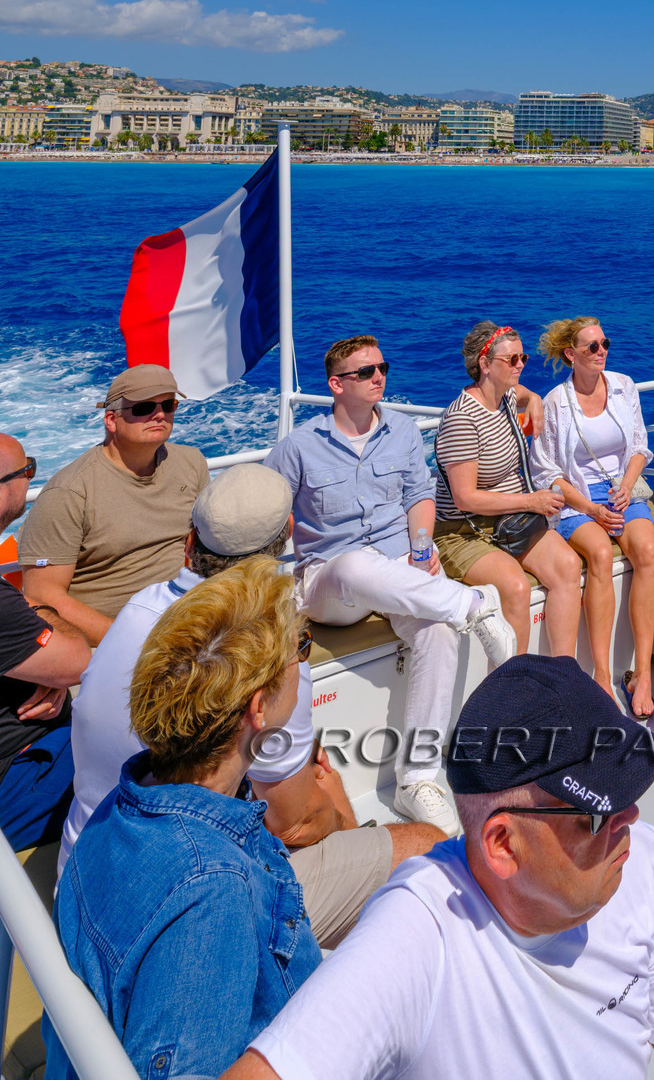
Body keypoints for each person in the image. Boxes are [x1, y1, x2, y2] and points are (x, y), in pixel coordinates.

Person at [220, 655, 654, 1080]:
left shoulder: (642, 862)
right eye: (598, 810)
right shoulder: (417, 938)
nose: (629, 818)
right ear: (503, 843)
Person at [60, 464, 442, 947]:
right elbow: (293, 822)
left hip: (84, 876)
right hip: (171, 914)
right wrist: (347, 824)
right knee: (426, 847)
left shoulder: (138, 609)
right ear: (287, 535)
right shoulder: (264, 647)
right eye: (303, 647)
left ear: (189, 542)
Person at [48, 560, 319, 1080]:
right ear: (258, 708)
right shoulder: (212, 890)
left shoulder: (123, 805)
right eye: (299, 648)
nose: (301, 657)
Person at [265, 334, 516, 835]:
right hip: (328, 580)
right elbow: (271, 520)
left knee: (437, 631)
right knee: (356, 564)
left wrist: (423, 546)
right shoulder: (298, 447)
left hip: (400, 566)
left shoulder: (401, 431)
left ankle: (417, 777)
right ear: (337, 385)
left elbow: (420, 495)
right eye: (365, 372)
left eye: (382, 367)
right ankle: (476, 606)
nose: (379, 376)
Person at [20, 364, 210, 643]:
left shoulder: (191, 464)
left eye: (168, 405)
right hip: (106, 643)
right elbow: (42, 595)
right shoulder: (70, 492)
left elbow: (207, 549)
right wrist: (134, 642)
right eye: (144, 407)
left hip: (185, 627)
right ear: (111, 420)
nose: (159, 414)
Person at [532, 317, 654, 719]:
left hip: (621, 490)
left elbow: (639, 444)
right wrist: (591, 509)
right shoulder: (556, 401)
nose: (601, 350)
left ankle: (642, 673)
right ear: (571, 354)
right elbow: (547, 471)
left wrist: (626, 485)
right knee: (601, 555)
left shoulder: (623, 386)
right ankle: (602, 676)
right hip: (577, 500)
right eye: (592, 346)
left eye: (604, 342)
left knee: (646, 551)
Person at [433, 320, 582, 657]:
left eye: (523, 358)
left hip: (509, 520)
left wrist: (536, 400)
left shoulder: (507, 396)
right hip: (463, 531)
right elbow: (465, 497)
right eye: (511, 360)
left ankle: (563, 671)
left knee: (567, 566)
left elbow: (525, 393)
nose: (520, 365)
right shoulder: (462, 420)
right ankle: (517, 689)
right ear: (484, 365)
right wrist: (532, 500)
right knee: (515, 587)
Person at [0, 435, 91, 850]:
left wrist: (48, 669)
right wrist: (42, 616)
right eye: (28, 470)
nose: (30, 479)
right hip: (18, 777)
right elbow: (77, 661)